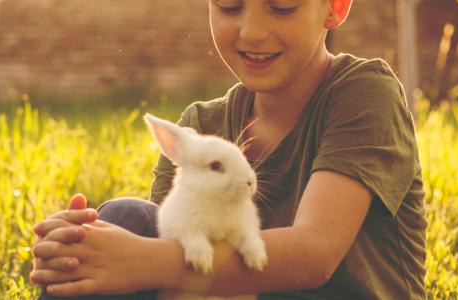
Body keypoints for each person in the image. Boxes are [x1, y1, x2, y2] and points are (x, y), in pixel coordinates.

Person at [29, 0, 426, 298]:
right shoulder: (202, 129)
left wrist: (138, 260)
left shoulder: (364, 92)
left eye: (282, 7)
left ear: (335, 7)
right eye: (229, 5)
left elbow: (315, 253)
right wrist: (80, 247)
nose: (252, 31)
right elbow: (176, 253)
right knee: (122, 217)